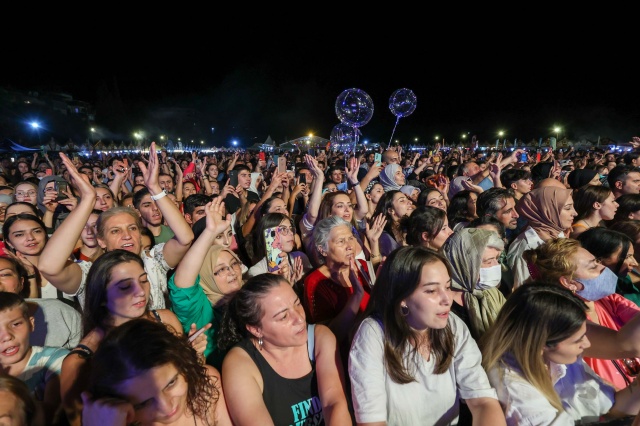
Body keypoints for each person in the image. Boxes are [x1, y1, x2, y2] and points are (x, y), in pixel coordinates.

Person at [349, 246, 505, 425]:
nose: (446, 299)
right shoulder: (373, 334)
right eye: (431, 291)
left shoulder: (452, 325)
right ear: (402, 297)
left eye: (447, 287)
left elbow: (483, 400)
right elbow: (371, 421)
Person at [38, 144, 194, 311]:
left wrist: (155, 188)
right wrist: (87, 201)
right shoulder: (90, 274)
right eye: (115, 231)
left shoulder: (154, 262)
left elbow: (185, 238)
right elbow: (49, 267)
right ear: (101, 241)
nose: (127, 235)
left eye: (132, 228)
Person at [59, 249, 204, 426]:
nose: (141, 291)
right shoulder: (79, 361)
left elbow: (189, 388)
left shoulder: (165, 319)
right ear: (101, 296)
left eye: (144, 280)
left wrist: (194, 358)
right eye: (125, 286)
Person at [481, 283, 640, 425]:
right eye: (578, 340)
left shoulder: (557, 359)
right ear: (541, 344)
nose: (587, 344)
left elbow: (611, 407)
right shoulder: (515, 391)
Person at [219, 273, 351, 425]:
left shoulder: (319, 338)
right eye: (283, 317)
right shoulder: (240, 364)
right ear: (256, 330)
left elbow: (333, 403)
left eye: (298, 304)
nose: (300, 318)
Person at [82, 318, 232, 426]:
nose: (167, 408)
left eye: (171, 383)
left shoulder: (207, 385)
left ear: (182, 364)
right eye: (143, 403)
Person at [303, 216, 374, 347]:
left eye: (351, 238)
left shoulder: (363, 267)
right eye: (341, 241)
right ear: (322, 249)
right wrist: (357, 295)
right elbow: (329, 336)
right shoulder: (315, 282)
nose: (349, 246)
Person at [0, 292, 68, 425]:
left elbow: (52, 415)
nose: (7, 336)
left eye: (16, 324)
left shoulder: (54, 360)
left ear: (31, 324)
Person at [441, 227, 507, 340]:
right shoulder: (442, 304)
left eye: (497, 259)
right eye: (489, 261)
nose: (496, 266)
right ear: (464, 263)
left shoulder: (492, 293)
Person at [506, 186, 577, 289]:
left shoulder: (559, 234)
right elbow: (523, 290)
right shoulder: (526, 247)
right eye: (567, 208)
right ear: (547, 210)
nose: (575, 213)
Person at [373, 189, 415, 257]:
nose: (410, 202)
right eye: (402, 201)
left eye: (407, 199)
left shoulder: (411, 227)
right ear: (391, 210)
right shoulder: (385, 238)